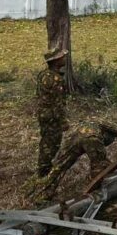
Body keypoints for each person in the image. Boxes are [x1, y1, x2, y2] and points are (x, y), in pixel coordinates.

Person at [37, 120, 117, 196]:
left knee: (59, 166)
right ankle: (94, 192)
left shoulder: (93, 122)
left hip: (74, 135)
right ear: (107, 136)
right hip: (91, 137)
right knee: (101, 168)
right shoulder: (110, 127)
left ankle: (43, 193)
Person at [37, 48, 69, 177]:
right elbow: (57, 103)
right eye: (62, 57)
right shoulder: (56, 79)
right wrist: (63, 121)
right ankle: (44, 171)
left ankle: (44, 167)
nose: (65, 58)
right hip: (52, 117)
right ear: (56, 61)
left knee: (45, 140)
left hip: (43, 114)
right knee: (52, 143)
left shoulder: (43, 75)